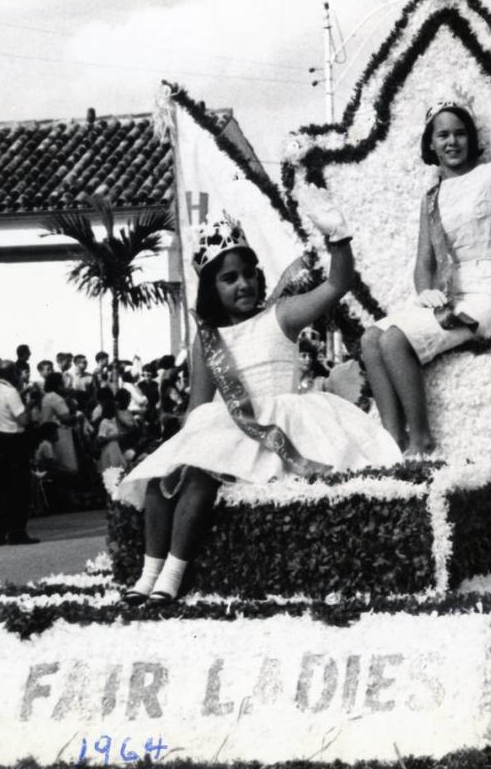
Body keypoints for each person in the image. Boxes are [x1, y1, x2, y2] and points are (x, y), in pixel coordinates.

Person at [116, 201, 401, 604]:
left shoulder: (280, 316)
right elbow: (198, 408)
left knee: (199, 480)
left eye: (248, 274)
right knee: (163, 480)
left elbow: (337, 285)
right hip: (228, 426)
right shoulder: (208, 339)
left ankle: (171, 579)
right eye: (229, 278)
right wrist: (179, 451)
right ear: (212, 287)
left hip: (281, 424)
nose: (243, 284)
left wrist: (338, 239)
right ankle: (147, 576)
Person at [361, 81, 491, 455]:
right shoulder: (431, 199)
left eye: (459, 134)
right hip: (450, 291)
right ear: (431, 144)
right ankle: (393, 439)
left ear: (470, 139)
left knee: (393, 339)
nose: (452, 142)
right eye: (443, 136)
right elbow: (424, 263)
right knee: (371, 340)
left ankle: (421, 440)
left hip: (489, 292)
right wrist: (425, 292)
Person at [0, 361, 38, 545]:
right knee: (21, 488)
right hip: (12, 441)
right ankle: (17, 531)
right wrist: (29, 404)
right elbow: (22, 419)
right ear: (11, 374)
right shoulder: (11, 391)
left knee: (3, 489)